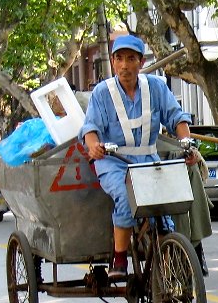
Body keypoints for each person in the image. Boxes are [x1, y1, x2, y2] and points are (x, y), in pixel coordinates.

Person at [81, 34, 206, 278]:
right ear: (114, 62)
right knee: (127, 198)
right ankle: (119, 259)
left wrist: (188, 145)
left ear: (141, 61)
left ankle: (168, 265)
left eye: (131, 59)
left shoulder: (157, 87)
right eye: (119, 59)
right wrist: (94, 146)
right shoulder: (101, 93)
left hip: (149, 159)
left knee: (164, 207)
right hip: (114, 162)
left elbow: (177, 117)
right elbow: (90, 129)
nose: (124, 65)